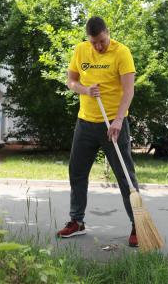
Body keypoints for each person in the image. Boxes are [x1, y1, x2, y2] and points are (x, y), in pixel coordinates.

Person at [56, 16, 140, 247]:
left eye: (101, 41)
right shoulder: (81, 50)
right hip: (85, 123)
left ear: (107, 32)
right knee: (77, 172)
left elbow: (128, 91)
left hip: (113, 125)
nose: (98, 47)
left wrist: (119, 120)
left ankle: (138, 225)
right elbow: (70, 81)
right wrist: (85, 89)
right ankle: (77, 222)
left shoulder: (122, 53)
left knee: (125, 176)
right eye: (94, 42)